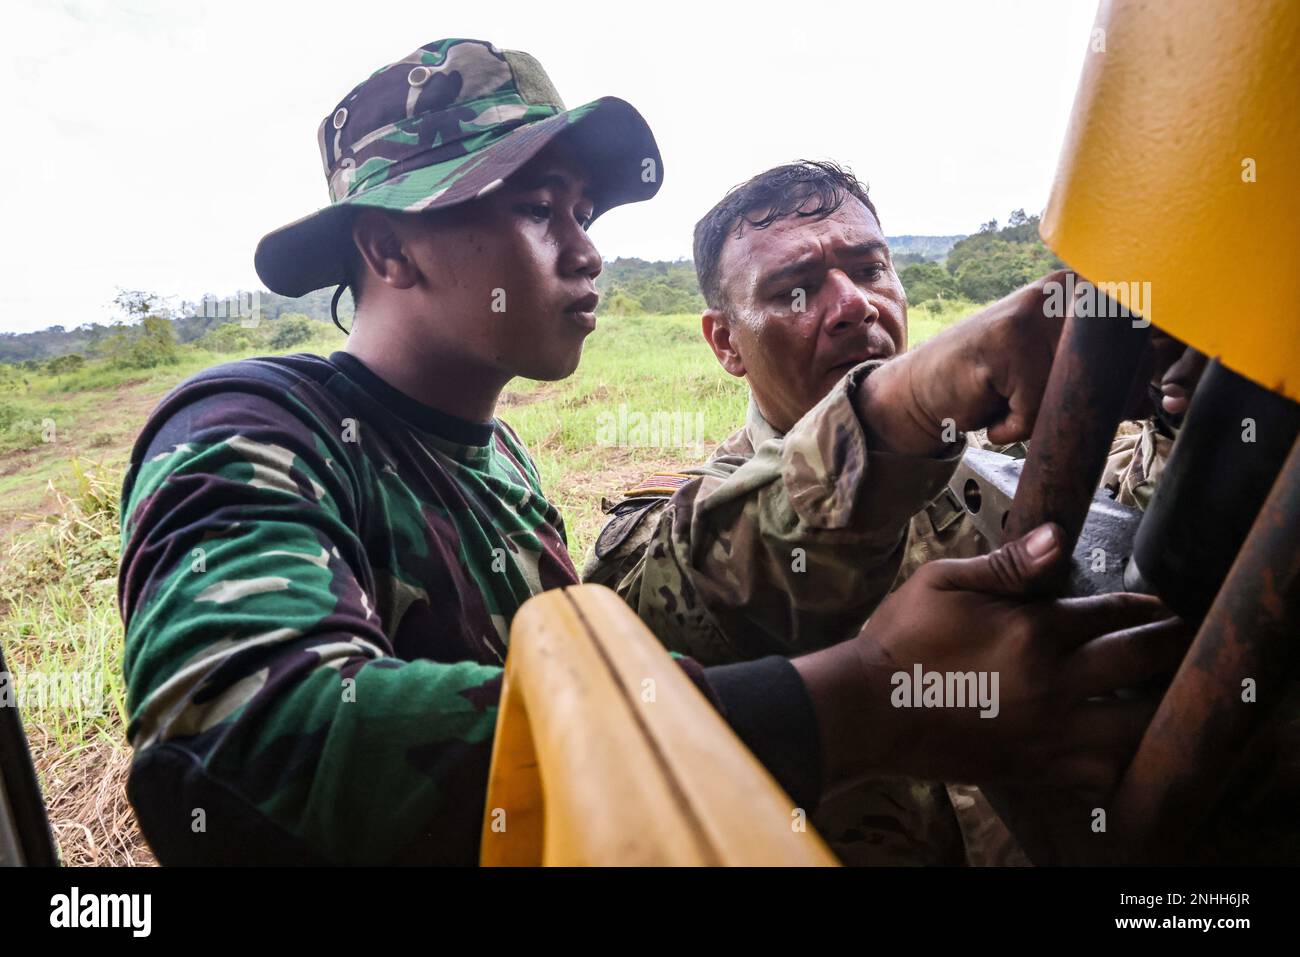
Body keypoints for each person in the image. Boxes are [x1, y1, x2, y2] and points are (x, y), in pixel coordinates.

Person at [119, 43, 1182, 866]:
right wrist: (862, 699)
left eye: (581, 211)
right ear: (387, 245)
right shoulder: (253, 426)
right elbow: (242, 752)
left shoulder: (502, 477)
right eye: (536, 210)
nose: (585, 247)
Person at [582, 160, 1189, 863]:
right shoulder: (674, 524)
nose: (851, 305)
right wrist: (900, 409)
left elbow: (1131, 536)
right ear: (724, 342)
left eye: (870, 271)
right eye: (795, 290)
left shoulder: (989, 461)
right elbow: (668, 603)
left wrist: (1178, 409)